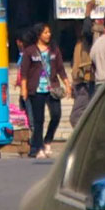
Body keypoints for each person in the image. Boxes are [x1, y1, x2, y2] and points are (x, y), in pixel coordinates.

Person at [18, 23, 67, 160]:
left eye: (49, 32)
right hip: (36, 89)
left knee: (56, 115)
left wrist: (67, 84)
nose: (48, 35)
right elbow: (24, 72)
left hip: (52, 88)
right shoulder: (30, 51)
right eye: (45, 32)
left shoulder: (53, 50)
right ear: (39, 34)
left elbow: (61, 69)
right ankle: (37, 148)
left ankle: (47, 140)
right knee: (39, 120)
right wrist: (24, 88)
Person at [68, 5, 98, 127]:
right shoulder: (78, 44)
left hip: (87, 83)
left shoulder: (88, 41)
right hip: (79, 83)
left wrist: (87, 12)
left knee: (75, 117)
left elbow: (86, 30)